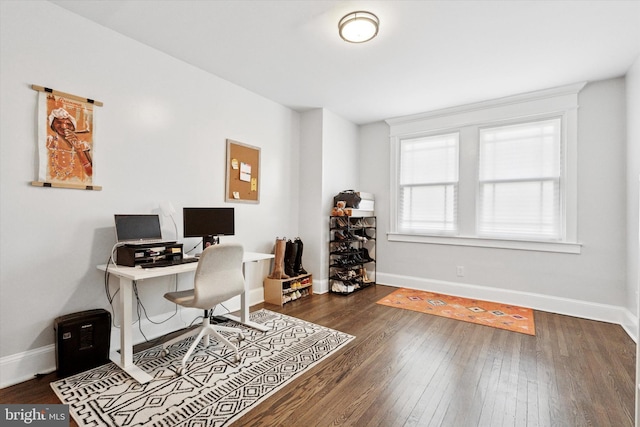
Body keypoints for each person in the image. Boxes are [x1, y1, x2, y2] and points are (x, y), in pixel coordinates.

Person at [46, 107, 93, 181]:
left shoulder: (83, 145)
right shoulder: (49, 141)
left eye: (68, 123)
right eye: (59, 123)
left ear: (73, 127)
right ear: (53, 125)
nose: (63, 126)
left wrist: (78, 149)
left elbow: (90, 173)